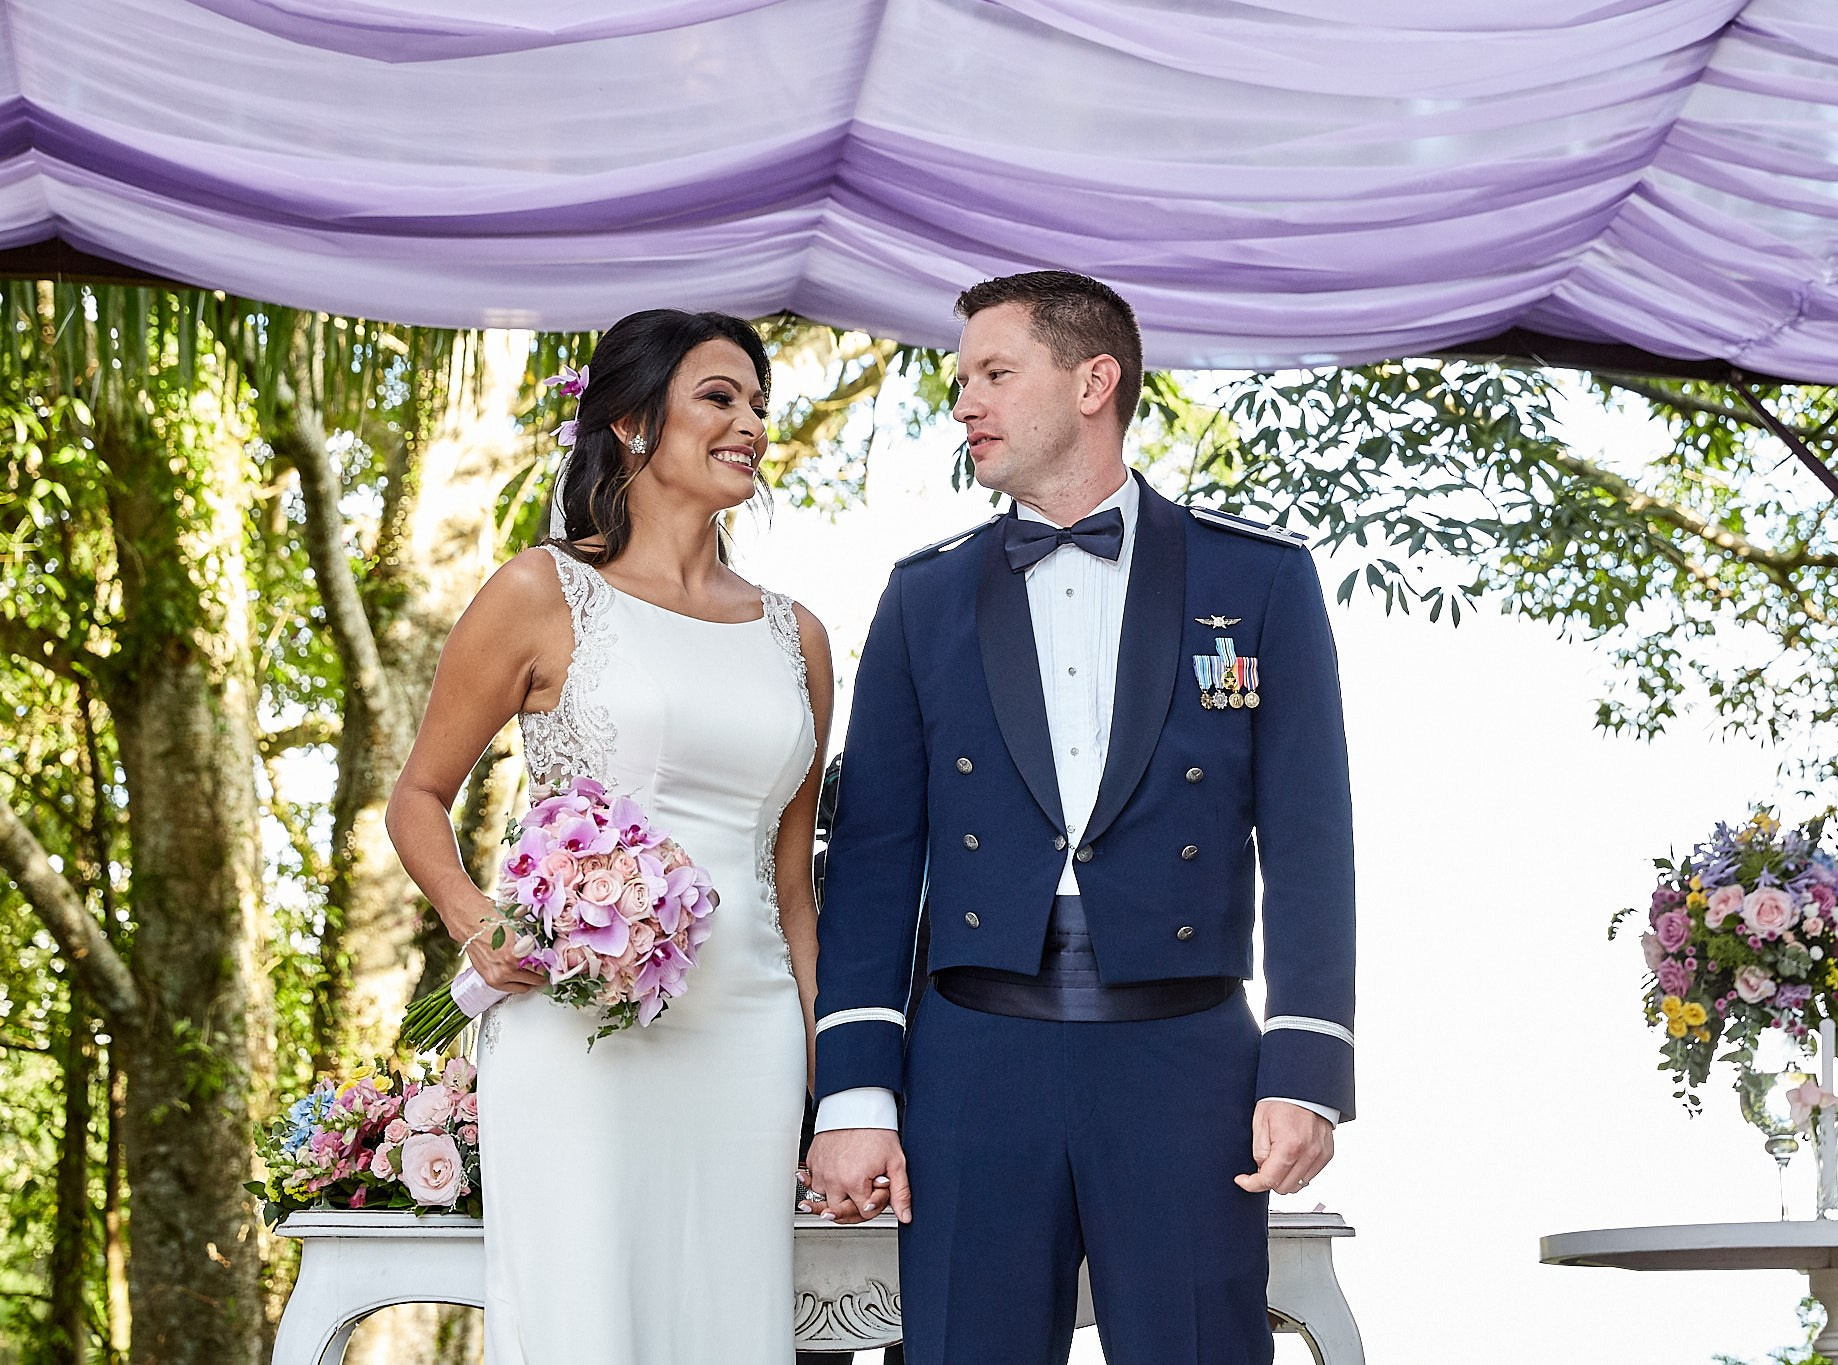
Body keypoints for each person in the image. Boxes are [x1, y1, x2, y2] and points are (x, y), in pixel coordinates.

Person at [806, 270, 1357, 1363]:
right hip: (973, 1057)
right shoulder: (922, 597)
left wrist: (1306, 1068)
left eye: (994, 374)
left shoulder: (1258, 579)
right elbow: (872, 861)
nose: (965, 403)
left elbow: (1309, 841)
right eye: (961, 381)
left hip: (1185, 1051)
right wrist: (854, 1091)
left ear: (1093, 381)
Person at [386, 310, 832, 1361]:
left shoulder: (798, 636)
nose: (751, 424)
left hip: (750, 1035)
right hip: (577, 1036)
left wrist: (834, 1069)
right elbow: (417, 796)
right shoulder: (540, 592)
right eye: (718, 398)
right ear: (633, 423)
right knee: (585, 1320)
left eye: (758, 403)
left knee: (731, 1324)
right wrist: (476, 920)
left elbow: (791, 885)